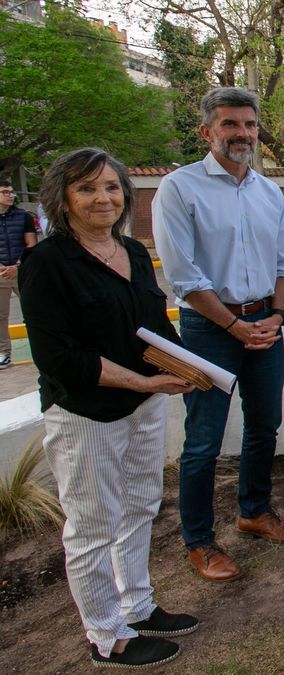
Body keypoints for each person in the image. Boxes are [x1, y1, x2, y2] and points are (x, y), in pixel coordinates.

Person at [20, 148, 198, 669]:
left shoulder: (133, 253)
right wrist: (144, 380)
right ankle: (105, 635)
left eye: (111, 187)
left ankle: (137, 605)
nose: (103, 198)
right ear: (63, 199)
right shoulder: (48, 263)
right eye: (87, 188)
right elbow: (59, 357)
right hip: (87, 414)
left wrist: (189, 371)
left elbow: (156, 326)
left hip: (143, 407)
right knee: (93, 523)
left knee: (141, 506)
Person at [152, 87, 284, 583]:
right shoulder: (179, 188)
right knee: (203, 442)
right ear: (207, 131)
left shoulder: (267, 192)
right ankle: (199, 542)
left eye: (250, 125)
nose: (243, 134)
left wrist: (276, 317)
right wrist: (235, 325)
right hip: (208, 330)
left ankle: (254, 512)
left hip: (265, 322)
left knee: (264, 427)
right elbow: (184, 276)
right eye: (231, 125)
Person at [0, 178, 37, 369]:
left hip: (22, 272)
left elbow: (31, 243)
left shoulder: (23, 216)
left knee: (35, 312)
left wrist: (18, 265)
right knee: (1, 316)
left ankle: (41, 348)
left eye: (11, 191)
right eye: (5, 192)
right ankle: (3, 354)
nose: (10, 195)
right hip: (0, 275)